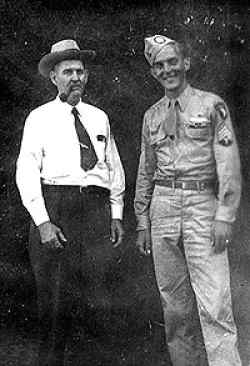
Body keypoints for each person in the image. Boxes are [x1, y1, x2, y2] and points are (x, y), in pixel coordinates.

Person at [16, 39, 125, 366]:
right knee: (55, 304)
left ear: (86, 76)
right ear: (54, 77)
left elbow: (113, 167)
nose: (75, 77)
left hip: (93, 212)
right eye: (68, 72)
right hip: (56, 209)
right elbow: (26, 171)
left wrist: (116, 214)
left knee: (97, 300)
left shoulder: (98, 117)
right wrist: (43, 221)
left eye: (80, 71)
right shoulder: (40, 118)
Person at [134, 34, 242, 366]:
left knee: (215, 304)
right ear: (153, 72)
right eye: (159, 65)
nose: (167, 69)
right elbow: (145, 168)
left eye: (172, 62)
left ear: (186, 63)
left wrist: (225, 215)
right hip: (163, 207)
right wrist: (141, 220)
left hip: (201, 205)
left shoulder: (212, 105)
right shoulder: (152, 116)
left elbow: (228, 163)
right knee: (175, 307)